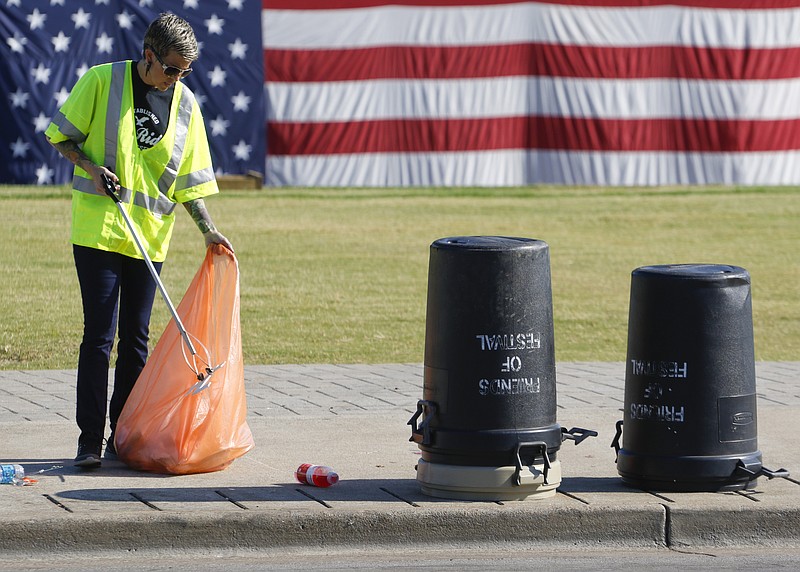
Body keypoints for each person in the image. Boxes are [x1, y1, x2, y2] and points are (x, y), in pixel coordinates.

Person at [45, 13, 232, 468]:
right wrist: (90, 168)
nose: (176, 79)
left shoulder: (186, 104)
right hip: (99, 232)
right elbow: (60, 138)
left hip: (149, 239)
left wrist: (208, 230)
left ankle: (122, 437)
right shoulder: (101, 81)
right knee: (100, 336)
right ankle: (88, 441)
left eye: (185, 71)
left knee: (136, 342)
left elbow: (188, 182)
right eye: (170, 69)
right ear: (148, 55)